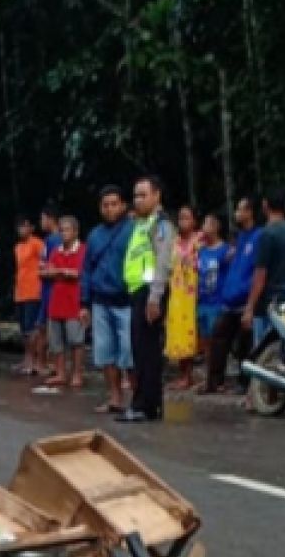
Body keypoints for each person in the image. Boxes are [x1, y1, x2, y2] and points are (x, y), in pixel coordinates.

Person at [116, 176, 175, 423]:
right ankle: (145, 403)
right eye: (136, 196)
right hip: (138, 291)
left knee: (147, 353)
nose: (138, 200)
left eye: (143, 195)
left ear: (157, 195)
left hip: (149, 292)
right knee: (140, 352)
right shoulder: (143, 223)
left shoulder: (160, 224)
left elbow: (163, 262)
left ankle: (145, 406)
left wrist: (155, 297)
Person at [80, 186, 134, 414]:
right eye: (105, 205)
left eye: (114, 204)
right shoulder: (94, 235)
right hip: (100, 301)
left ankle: (136, 400)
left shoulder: (133, 230)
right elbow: (86, 270)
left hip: (127, 301)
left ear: (123, 205)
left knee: (129, 352)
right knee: (105, 352)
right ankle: (114, 397)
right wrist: (83, 303)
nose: (110, 209)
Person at [202, 197, 261, 394]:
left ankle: (245, 384)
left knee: (245, 344)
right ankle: (214, 382)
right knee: (219, 338)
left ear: (250, 212)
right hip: (230, 298)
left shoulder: (259, 236)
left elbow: (257, 270)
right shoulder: (240, 237)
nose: (237, 213)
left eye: (240, 209)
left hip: (245, 298)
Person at [245, 188, 285, 346]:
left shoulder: (267, 234)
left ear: (265, 205)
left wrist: (249, 307)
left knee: (263, 348)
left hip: (267, 301)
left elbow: (260, 274)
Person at [40, 215, 87, 390]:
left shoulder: (83, 250)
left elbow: (79, 273)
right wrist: (63, 272)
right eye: (61, 230)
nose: (63, 234)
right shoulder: (56, 251)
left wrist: (59, 271)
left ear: (75, 231)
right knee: (56, 342)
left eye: (67, 230)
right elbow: (45, 272)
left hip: (74, 302)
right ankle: (60, 373)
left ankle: (77, 373)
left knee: (76, 341)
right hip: (56, 301)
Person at [164, 205, 201, 390]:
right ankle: (182, 375)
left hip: (193, 294)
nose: (183, 221)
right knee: (177, 334)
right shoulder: (174, 242)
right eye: (180, 218)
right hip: (176, 295)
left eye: (187, 218)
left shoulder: (200, 240)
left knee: (191, 334)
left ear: (195, 220)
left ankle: (190, 375)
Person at [195, 212, 229, 375]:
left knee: (217, 341)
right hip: (202, 301)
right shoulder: (200, 250)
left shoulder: (225, 250)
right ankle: (209, 376)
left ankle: (218, 376)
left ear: (216, 227)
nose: (204, 228)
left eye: (208, 224)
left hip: (217, 302)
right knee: (205, 341)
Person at [11, 214, 44, 376]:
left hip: (33, 291)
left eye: (25, 226)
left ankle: (34, 360)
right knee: (23, 329)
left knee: (32, 329)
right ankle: (26, 359)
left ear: (31, 228)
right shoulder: (17, 247)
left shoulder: (37, 244)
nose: (22, 229)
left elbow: (45, 262)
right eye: (19, 226)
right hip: (20, 292)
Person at [33, 205, 63, 376]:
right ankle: (42, 362)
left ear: (50, 219)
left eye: (43, 218)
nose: (41, 222)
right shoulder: (51, 240)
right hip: (49, 288)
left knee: (45, 327)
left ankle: (42, 362)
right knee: (44, 327)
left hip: (51, 289)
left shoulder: (54, 240)